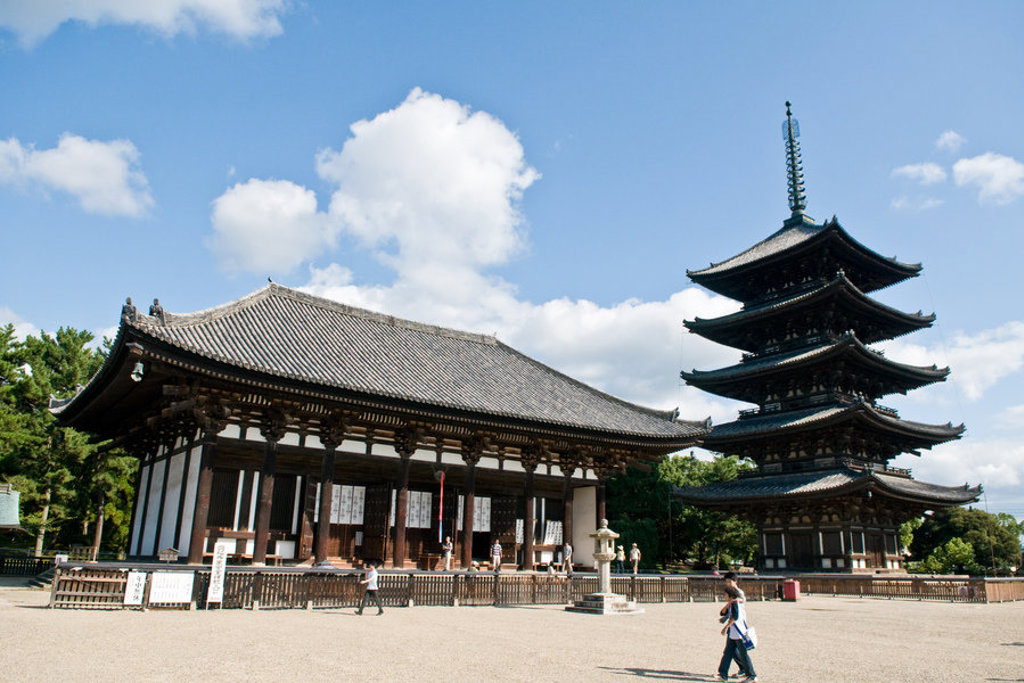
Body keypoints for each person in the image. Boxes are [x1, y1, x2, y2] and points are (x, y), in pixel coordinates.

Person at [715, 585, 756, 682]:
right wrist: (728, 603)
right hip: (733, 634)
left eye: (725, 594)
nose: (724, 596)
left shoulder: (735, 604)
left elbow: (735, 617)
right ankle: (723, 674)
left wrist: (726, 627)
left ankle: (752, 676)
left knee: (743, 654)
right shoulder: (732, 603)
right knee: (727, 654)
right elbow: (722, 613)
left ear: (729, 595)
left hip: (739, 633)